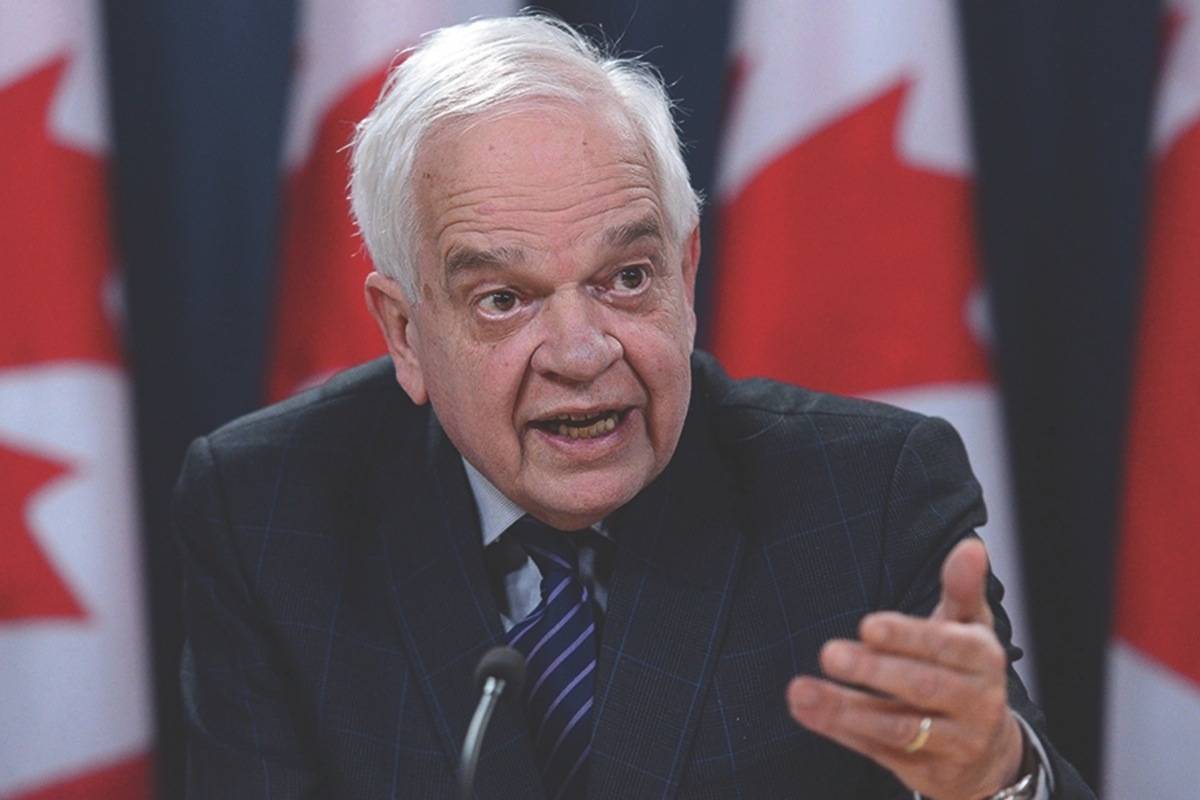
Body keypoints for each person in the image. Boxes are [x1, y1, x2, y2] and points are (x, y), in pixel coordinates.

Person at [173, 14, 1094, 800]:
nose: (583, 353)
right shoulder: (268, 508)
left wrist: (995, 778)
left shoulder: (867, 497)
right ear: (406, 333)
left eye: (626, 278)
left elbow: (982, 759)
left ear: (686, 275)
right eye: (503, 299)